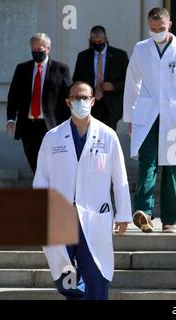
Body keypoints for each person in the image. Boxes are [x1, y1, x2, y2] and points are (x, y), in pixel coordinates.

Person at [33, 81, 132, 300]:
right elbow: (41, 178)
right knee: (67, 278)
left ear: (93, 101)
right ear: (68, 102)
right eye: (76, 98)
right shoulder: (53, 137)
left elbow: (120, 177)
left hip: (94, 215)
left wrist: (123, 214)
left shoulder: (107, 136)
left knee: (96, 275)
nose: (81, 102)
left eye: (85, 98)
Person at [123, 7, 176, 234]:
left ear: (169, 25)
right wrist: (130, 118)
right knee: (146, 165)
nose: (157, 32)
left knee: (172, 168)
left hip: (174, 116)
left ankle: (169, 220)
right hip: (147, 116)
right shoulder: (141, 49)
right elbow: (132, 83)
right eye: (152, 29)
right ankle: (143, 212)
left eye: (160, 28)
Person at [6, 33, 71, 173]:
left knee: (52, 164)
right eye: (33, 50)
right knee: (34, 164)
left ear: (48, 49)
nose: (36, 53)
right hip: (28, 126)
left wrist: (68, 124)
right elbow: (13, 96)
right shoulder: (22, 69)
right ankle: (40, 191)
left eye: (39, 49)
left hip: (51, 126)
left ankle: (49, 191)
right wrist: (11, 118)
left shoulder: (61, 69)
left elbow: (68, 98)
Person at [73, 25, 129, 131]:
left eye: (100, 41)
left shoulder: (119, 56)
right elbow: (76, 80)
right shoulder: (83, 56)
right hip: (90, 103)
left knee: (108, 137)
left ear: (106, 39)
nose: (97, 44)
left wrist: (113, 86)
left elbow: (129, 82)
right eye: (94, 42)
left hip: (111, 106)